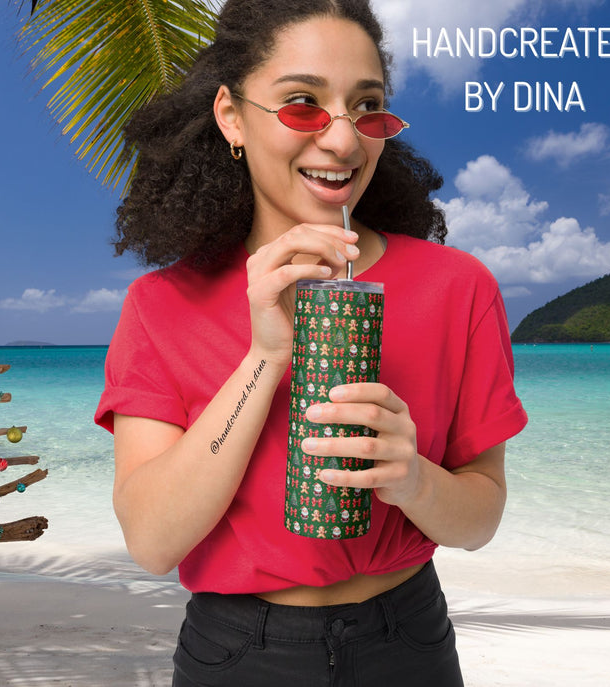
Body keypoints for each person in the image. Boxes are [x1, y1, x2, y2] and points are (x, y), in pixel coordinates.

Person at [95, 0, 528, 684]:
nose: (344, 142)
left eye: (367, 107)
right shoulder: (162, 306)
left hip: (408, 638)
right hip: (239, 650)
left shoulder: (458, 287)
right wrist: (265, 358)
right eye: (303, 105)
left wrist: (414, 479)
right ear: (232, 116)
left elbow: (481, 520)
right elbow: (152, 541)